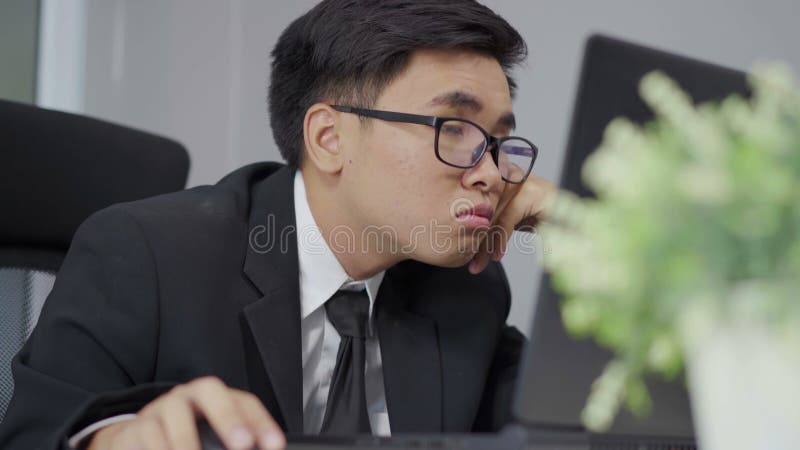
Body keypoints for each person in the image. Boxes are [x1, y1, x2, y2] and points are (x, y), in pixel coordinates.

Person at [0, 1, 556, 449]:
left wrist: (589, 237)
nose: (490, 173)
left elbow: (585, 422)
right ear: (328, 138)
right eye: (454, 128)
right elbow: (38, 431)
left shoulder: (465, 289)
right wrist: (112, 440)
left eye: (500, 140)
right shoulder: (146, 256)